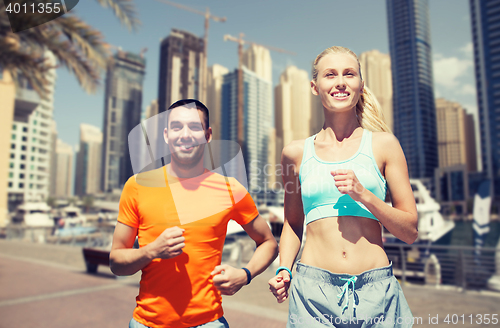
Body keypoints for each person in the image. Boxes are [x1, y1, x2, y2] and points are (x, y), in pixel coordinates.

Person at [268, 46, 418, 328]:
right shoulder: (294, 153)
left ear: (361, 85)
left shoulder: (385, 145)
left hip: (377, 294)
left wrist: (364, 195)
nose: (340, 82)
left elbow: (409, 231)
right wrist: (284, 268)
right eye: (330, 75)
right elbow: (292, 222)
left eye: (349, 74)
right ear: (315, 87)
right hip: (313, 296)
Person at [110, 99, 278, 328]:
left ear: (208, 135)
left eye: (195, 127)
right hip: (147, 323)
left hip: (208, 323)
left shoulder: (231, 189)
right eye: (177, 127)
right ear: (167, 135)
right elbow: (117, 263)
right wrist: (151, 251)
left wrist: (244, 275)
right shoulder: (137, 186)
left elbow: (268, 242)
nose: (185, 134)